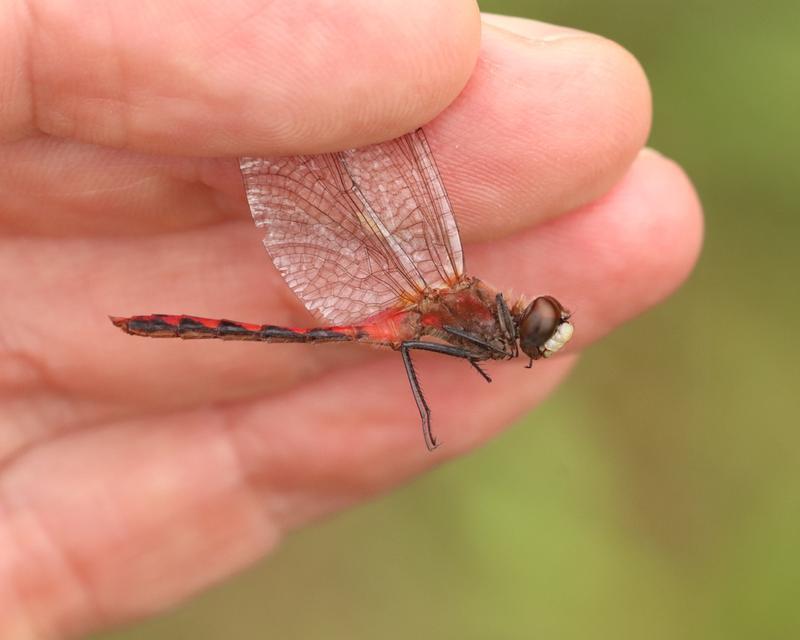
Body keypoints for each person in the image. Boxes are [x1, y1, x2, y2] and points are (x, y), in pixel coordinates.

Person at [0, 2, 702, 637]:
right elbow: (429, 345)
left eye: (538, 329)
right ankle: (153, 321)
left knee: (399, 339)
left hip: (400, 319)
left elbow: (433, 349)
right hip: (399, 313)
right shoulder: (461, 303)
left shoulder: (468, 318)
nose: (537, 327)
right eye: (540, 325)